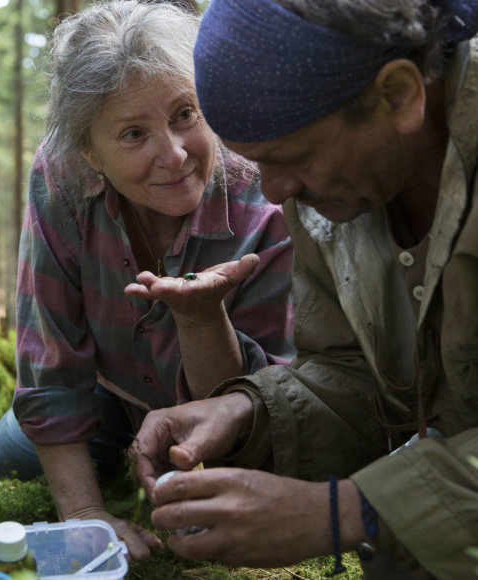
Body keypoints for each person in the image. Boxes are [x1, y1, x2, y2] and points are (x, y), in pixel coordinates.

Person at [131, 0, 478, 578]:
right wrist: (248, 410)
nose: (273, 192)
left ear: (398, 94)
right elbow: (356, 372)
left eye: (290, 157)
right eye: (256, 164)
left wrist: (343, 513)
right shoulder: (336, 189)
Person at [0, 0, 296, 562]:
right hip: (110, 392)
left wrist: (202, 318)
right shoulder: (59, 176)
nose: (173, 155)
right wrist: (82, 514)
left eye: (185, 114)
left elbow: (268, 399)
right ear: (89, 153)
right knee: (10, 455)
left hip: (230, 409)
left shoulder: (264, 186)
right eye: (133, 134)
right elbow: (51, 356)